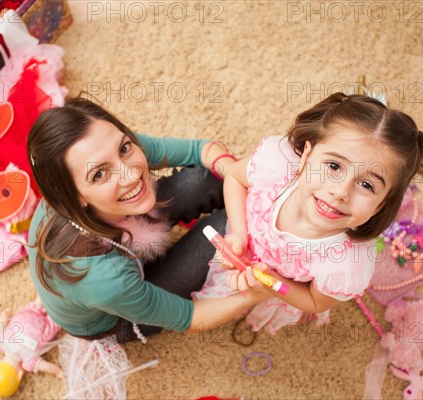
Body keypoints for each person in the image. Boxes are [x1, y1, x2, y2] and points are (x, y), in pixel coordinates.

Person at [26, 97, 270, 343]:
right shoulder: (105, 279)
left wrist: (246, 184)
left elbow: (202, 150)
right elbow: (191, 319)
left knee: (207, 177)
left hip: (109, 239)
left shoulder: (99, 145)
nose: (131, 173)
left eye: (124, 148)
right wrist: (254, 296)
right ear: (74, 197)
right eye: (99, 174)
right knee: (221, 227)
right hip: (120, 314)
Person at [193, 92, 423, 334]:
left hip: (270, 287)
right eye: (334, 166)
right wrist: (239, 233)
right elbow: (234, 176)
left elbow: (315, 302)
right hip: (235, 237)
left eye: (367, 185)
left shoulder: (346, 264)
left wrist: (270, 284)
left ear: (381, 205)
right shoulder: (277, 166)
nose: (340, 192)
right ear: (306, 155)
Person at [0, 297, 63, 398]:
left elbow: (47, 367)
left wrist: (58, 372)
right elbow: (0, 326)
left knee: (56, 320)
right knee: (36, 304)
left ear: (20, 375)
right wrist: (4, 316)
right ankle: (42, 296)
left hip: (43, 329)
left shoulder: (29, 362)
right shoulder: (0, 344)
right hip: (26, 317)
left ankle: (61, 310)